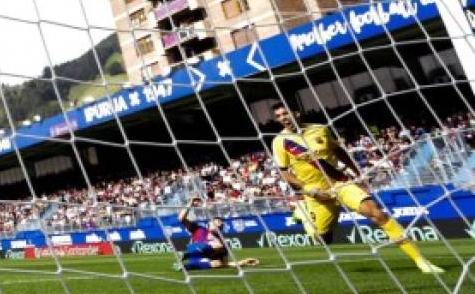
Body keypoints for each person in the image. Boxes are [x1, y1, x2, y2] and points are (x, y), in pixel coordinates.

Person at [271, 102, 444, 274]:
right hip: (317, 193)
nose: (283, 118)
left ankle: (421, 261)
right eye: (279, 116)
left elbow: (338, 151)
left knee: (377, 213)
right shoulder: (280, 142)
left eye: (285, 113)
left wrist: (357, 173)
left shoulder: (320, 129)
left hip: (340, 183)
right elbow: (284, 172)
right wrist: (306, 187)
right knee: (323, 238)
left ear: (296, 113)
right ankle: (303, 215)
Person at [173, 198, 259, 271]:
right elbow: (181, 218)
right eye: (217, 222)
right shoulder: (199, 229)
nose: (219, 224)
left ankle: (184, 267)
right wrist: (190, 202)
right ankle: (186, 255)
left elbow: (226, 264)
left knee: (218, 263)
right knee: (217, 245)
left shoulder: (222, 243)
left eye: (220, 224)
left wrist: (243, 262)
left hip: (201, 260)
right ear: (210, 223)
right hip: (193, 252)